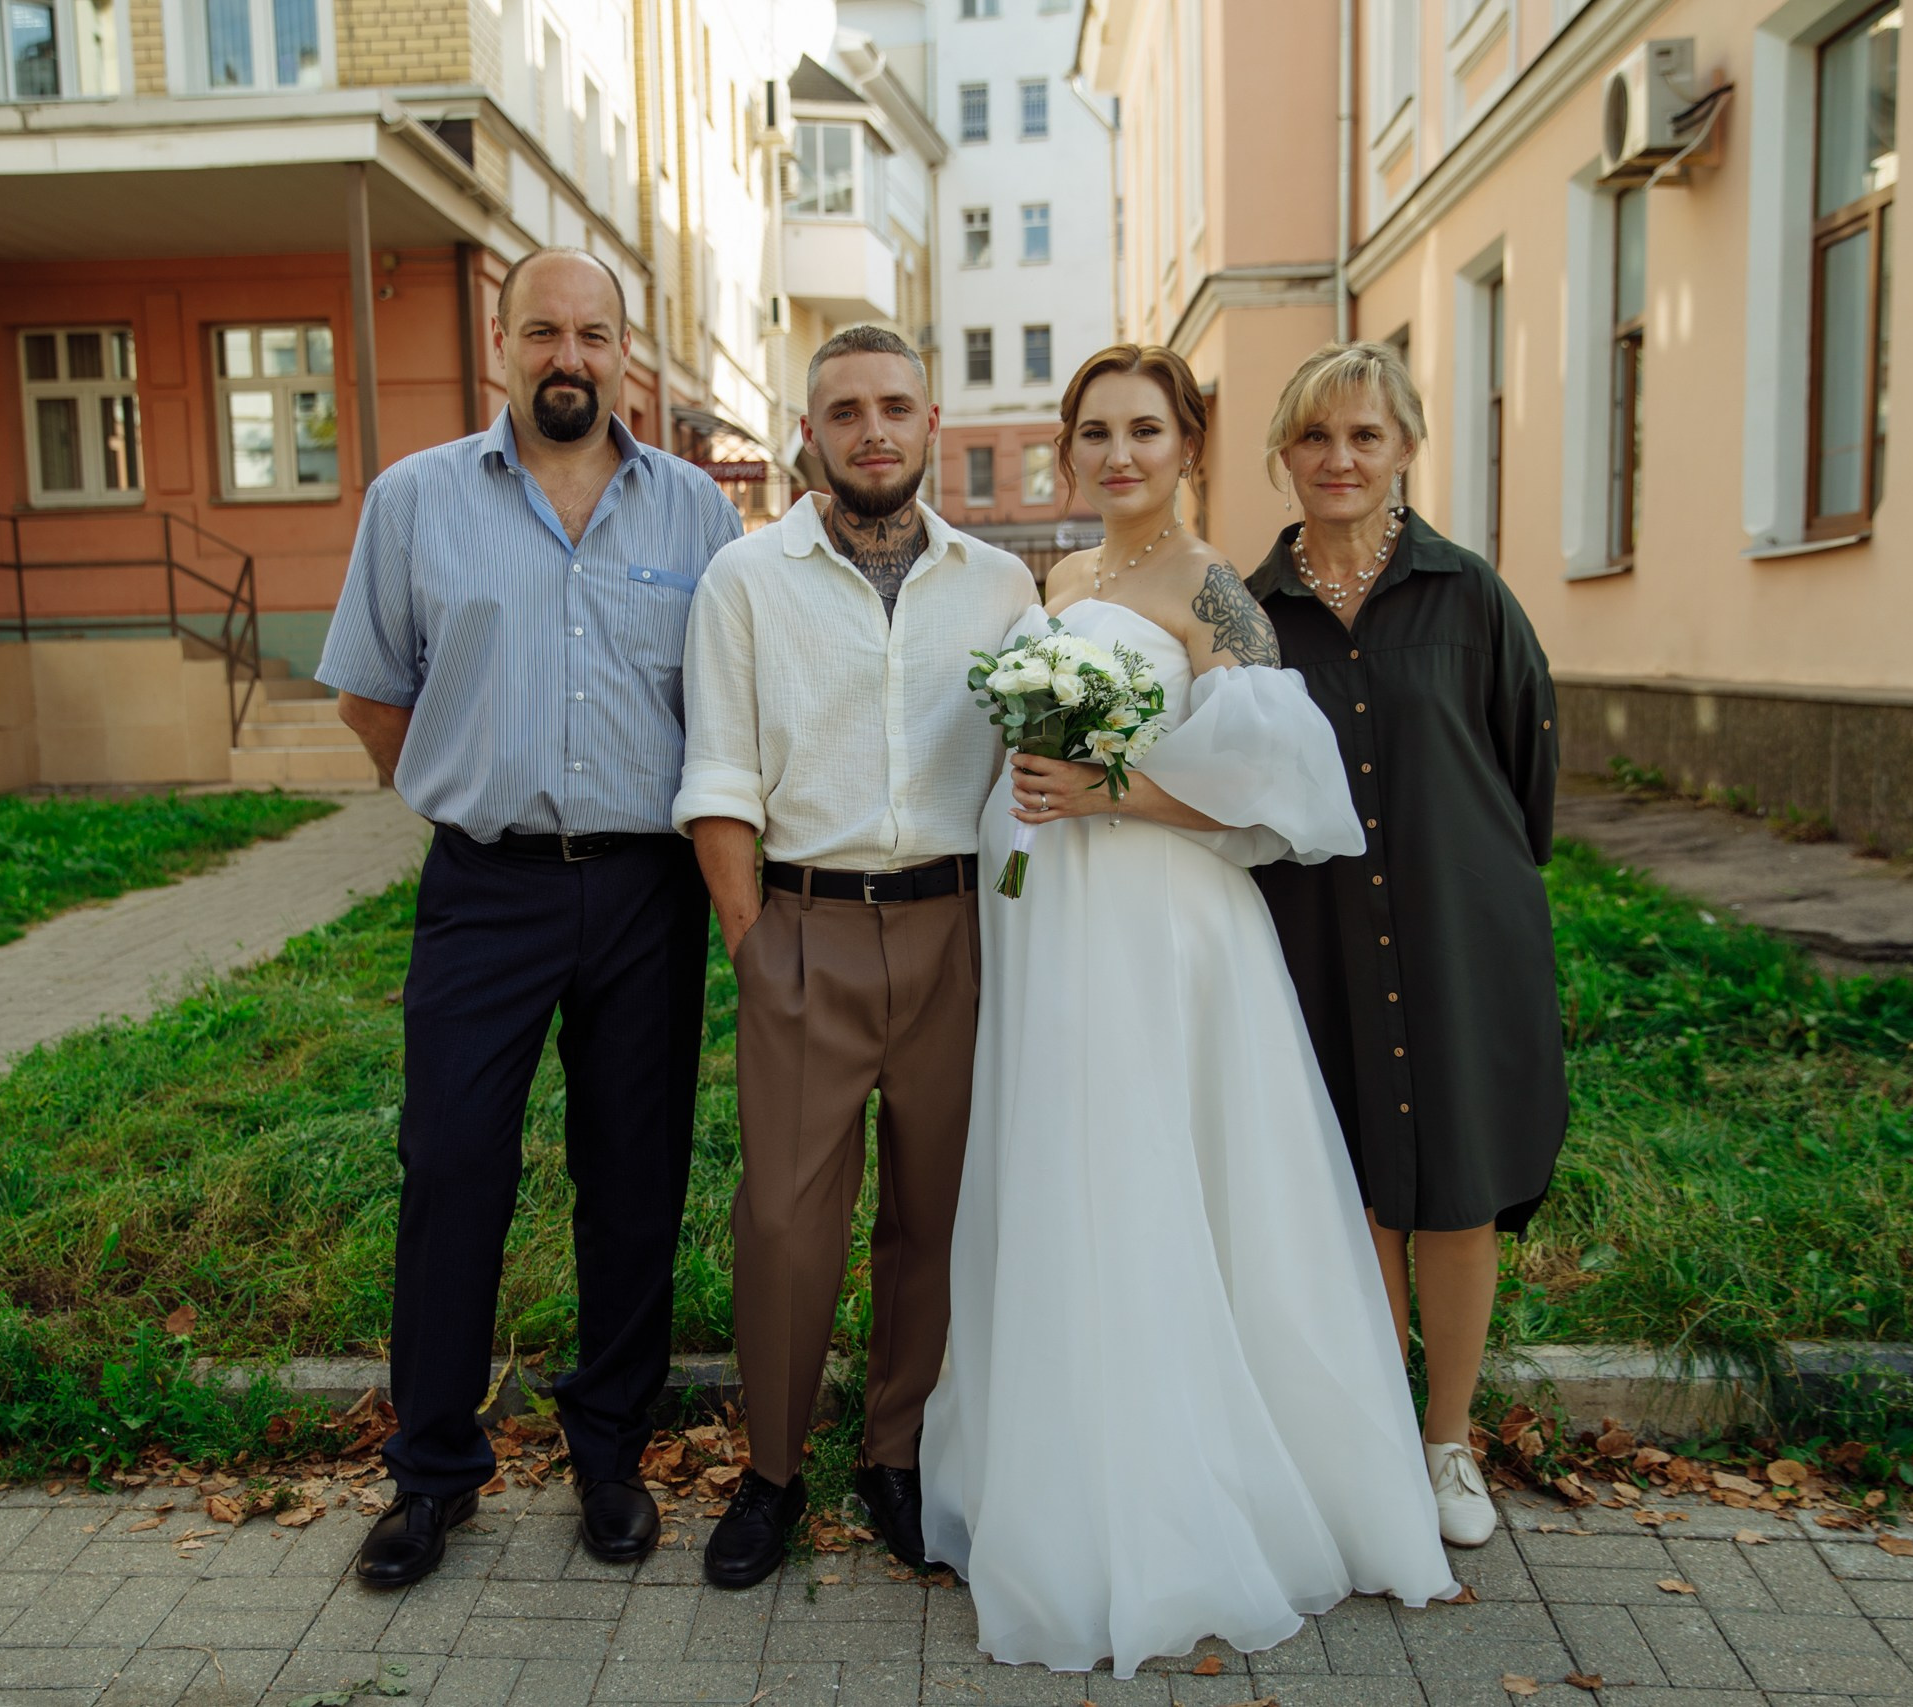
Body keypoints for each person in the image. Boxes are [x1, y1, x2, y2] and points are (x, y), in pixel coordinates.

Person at [919, 344, 1459, 1676]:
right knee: (1070, 1171)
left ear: (1189, 443)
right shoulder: (1060, 580)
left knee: (1161, 1168)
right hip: (1052, 929)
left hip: (1158, 924)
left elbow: (1286, 794)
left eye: (1144, 430)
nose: (1118, 454)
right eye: (1094, 431)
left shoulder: (1214, 588)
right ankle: (1066, 1458)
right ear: (1067, 447)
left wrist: (1113, 795)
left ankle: (1193, 1487)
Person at [317, 246, 743, 1587]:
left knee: (634, 1177)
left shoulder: (698, 518)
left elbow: (731, 711)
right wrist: (474, 792)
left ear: (628, 354)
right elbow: (372, 695)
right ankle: (433, 1469)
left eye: (594, 334)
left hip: (646, 888)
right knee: (451, 1170)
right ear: (501, 344)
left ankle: (610, 1450)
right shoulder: (416, 499)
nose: (570, 355)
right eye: (544, 331)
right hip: (484, 886)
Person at [673, 326, 1037, 1590]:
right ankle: (773, 1472)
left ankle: (897, 1455)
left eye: (893, 405)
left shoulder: (1000, 587)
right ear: (810, 432)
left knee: (932, 1210)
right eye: (844, 410)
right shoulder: (745, 580)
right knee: (782, 1217)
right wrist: (752, 944)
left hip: (955, 932)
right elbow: (717, 773)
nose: (871, 428)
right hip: (803, 927)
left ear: (932, 420)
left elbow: (1020, 771)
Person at [1245, 342, 1567, 1548]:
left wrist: (1472, 885)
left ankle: (1447, 1444)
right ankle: (1376, 1440)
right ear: (1283, 453)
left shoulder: (1468, 593)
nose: (1339, 460)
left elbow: (1526, 767)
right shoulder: (1246, 607)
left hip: (1455, 934)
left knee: (1457, 1196)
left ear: (1404, 449)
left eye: (1364, 436)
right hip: (1314, 937)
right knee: (1360, 1197)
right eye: (1316, 437)